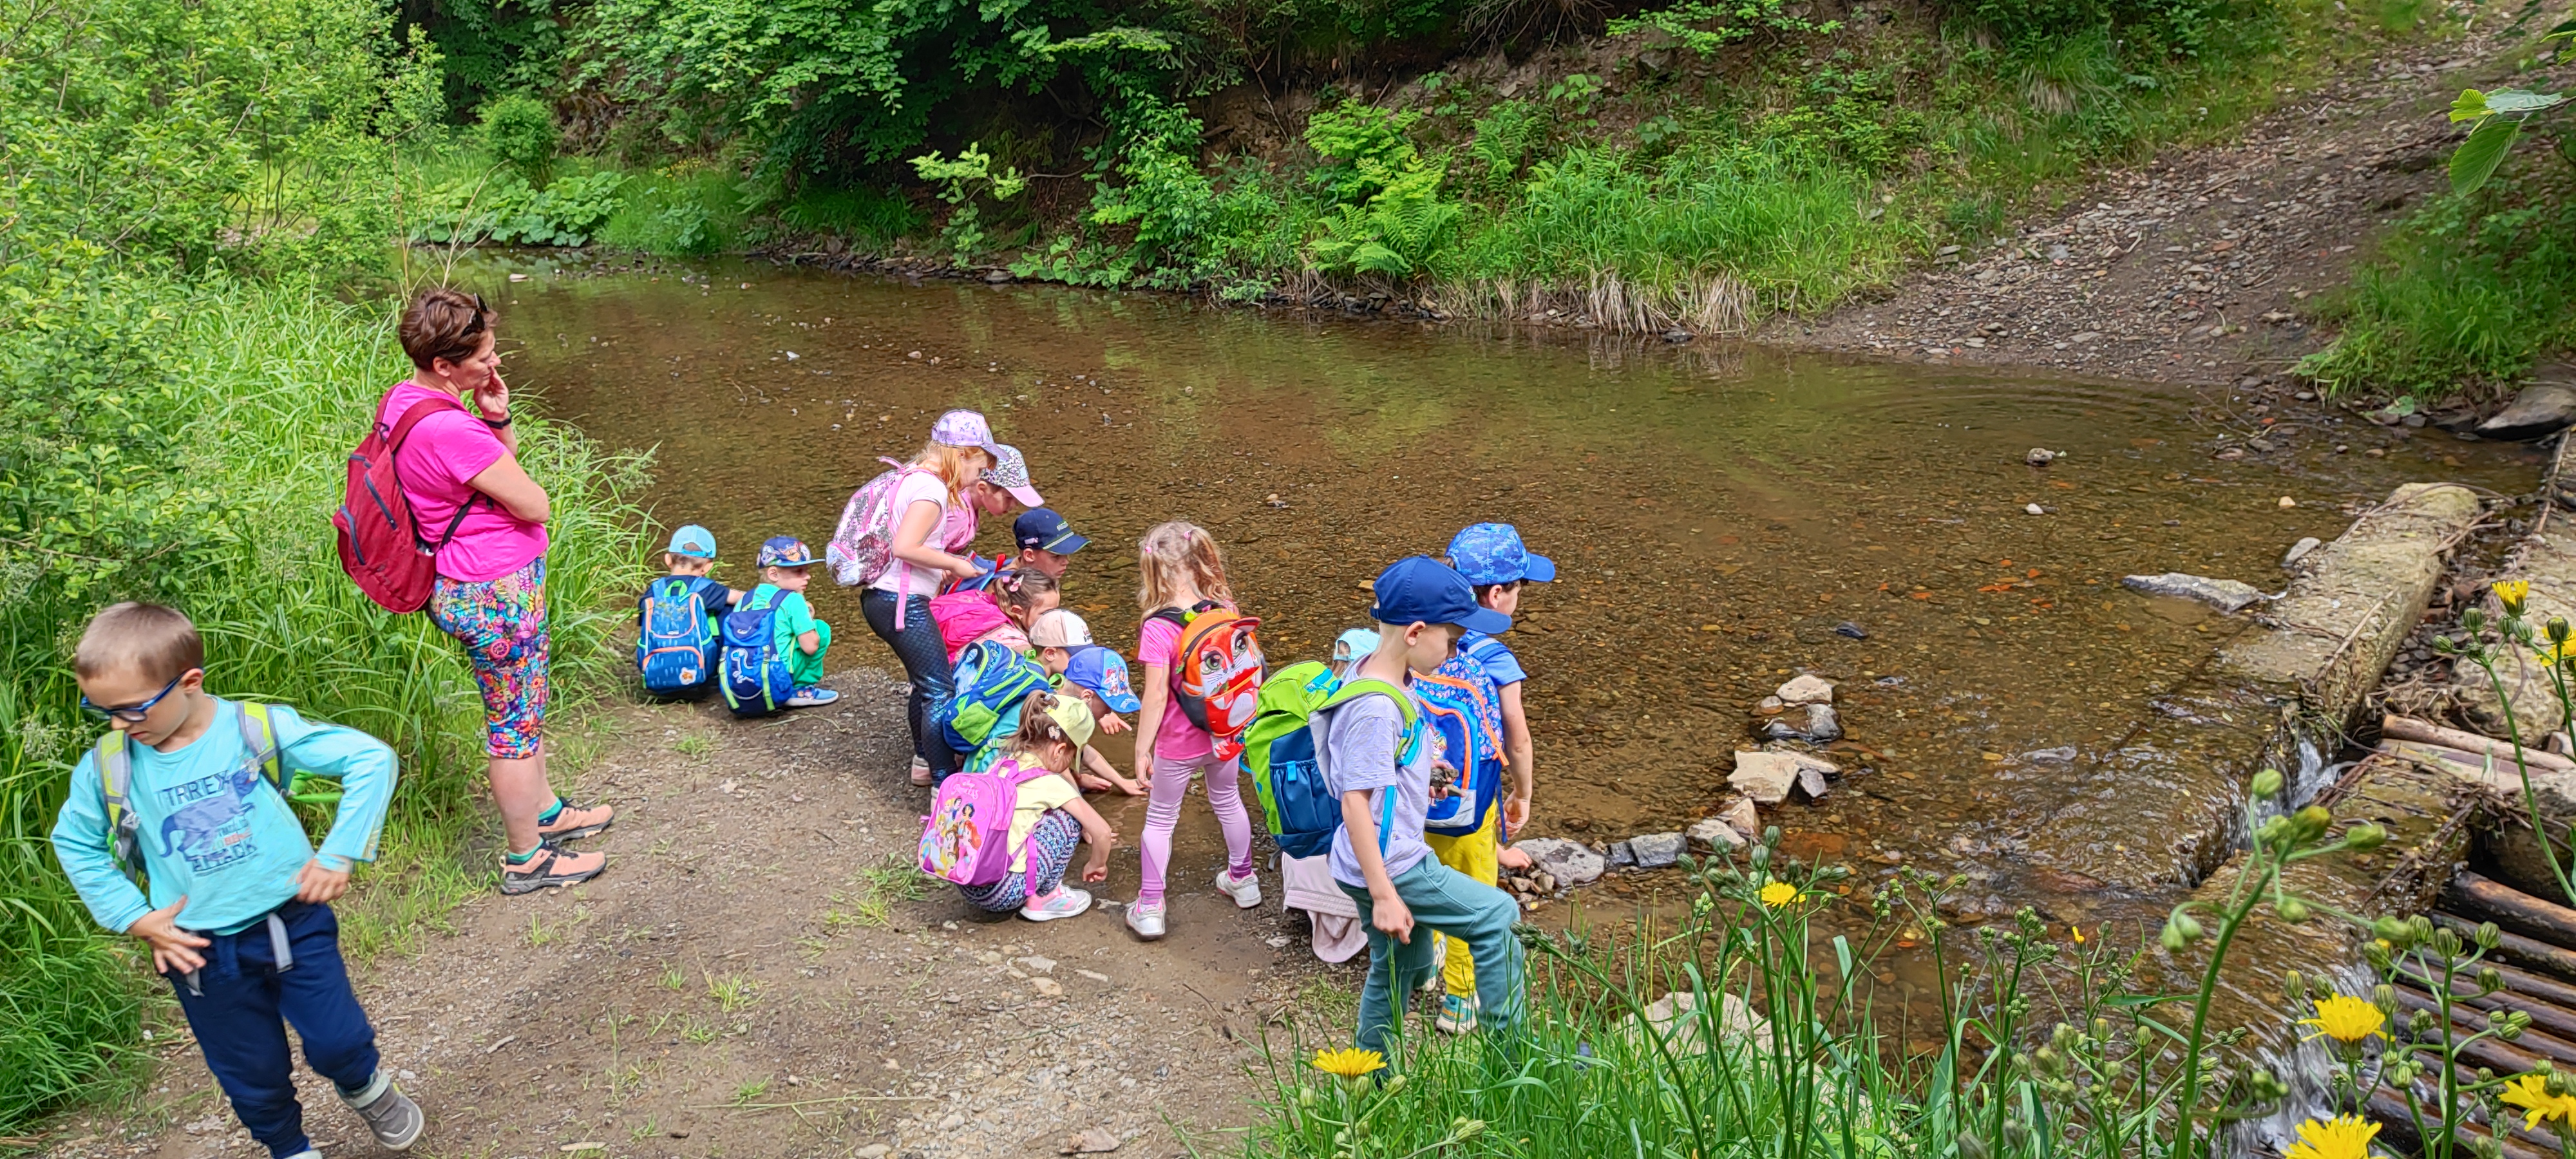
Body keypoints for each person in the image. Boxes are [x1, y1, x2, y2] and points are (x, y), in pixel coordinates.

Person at [50, 603, 426, 1159]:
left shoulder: (255, 729)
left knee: (338, 1039)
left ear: (190, 682)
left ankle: (365, 1087)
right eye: (102, 711)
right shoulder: (109, 767)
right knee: (251, 1071)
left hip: (291, 921)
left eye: (132, 710)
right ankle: (289, 1148)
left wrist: (339, 853)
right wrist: (135, 917)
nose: (118, 726)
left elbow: (370, 759)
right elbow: (74, 841)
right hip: (195, 948)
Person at [383, 287, 610, 895]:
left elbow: (488, 473)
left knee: (524, 710)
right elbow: (533, 502)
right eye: (484, 356)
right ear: (444, 364)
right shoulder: (448, 429)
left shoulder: (405, 401)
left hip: (472, 582)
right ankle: (526, 859)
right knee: (513, 726)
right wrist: (489, 434)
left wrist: (497, 417)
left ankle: (546, 811)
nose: (496, 362)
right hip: (493, 592)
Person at [1322, 556, 1525, 1056]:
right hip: (1392, 862)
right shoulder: (1375, 707)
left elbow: (1381, 764)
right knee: (1497, 915)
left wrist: (1423, 773)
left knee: (1402, 966)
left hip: (1369, 857)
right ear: (1415, 632)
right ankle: (1512, 1058)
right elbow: (1354, 802)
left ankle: (1372, 1073)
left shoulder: (1379, 674)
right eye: (1451, 641)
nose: (1454, 652)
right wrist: (1383, 894)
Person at [1127, 520, 1258, 940]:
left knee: (1161, 818)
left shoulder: (1158, 627)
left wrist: (1142, 749)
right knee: (1228, 799)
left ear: (1154, 570)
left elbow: (1155, 696)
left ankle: (1151, 906)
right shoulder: (1225, 610)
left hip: (1178, 742)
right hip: (1225, 732)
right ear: (1201, 559)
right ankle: (1243, 879)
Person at [864, 411, 998, 787]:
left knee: (926, 684)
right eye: (980, 467)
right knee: (940, 690)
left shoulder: (910, 476)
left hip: (884, 597)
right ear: (963, 454)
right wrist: (956, 564)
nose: (978, 477)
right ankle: (945, 784)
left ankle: (925, 763)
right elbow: (905, 546)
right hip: (900, 602)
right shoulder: (932, 489)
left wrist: (939, 569)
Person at [947, 690, 1119, 923]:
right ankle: (1045, 898)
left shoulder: (1001, 762)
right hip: (1002, 893)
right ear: (1059, 751)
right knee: (1069, 819)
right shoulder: (1051, 783)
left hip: (967, 882)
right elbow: (1102, 832)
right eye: (1072, 756)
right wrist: (1096, 864)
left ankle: (1025, 884)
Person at [1446, 522, 1551, 867]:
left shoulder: (1421, 636)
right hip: (1467, 801)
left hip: (1412, 793)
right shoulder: (1495, 660)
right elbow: (1517, 742)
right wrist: (1523, 794)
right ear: (1495, 595)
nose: (1519, 595)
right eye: (1520, 586)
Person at [1027, 610, 1144, 795]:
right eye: (1076, 656)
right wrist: (1077, 793)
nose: (1081, 662)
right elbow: (1058, 756)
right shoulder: (1047, 703)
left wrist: (1119, 781)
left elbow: (1079, 749)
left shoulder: (1051, 681)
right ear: (1050, 653)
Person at [636, 525, 741, 695]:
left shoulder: (654, 591)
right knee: (728, 608)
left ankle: (663, 676)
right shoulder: (707, 589)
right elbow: (745, 598)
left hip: (657, 673)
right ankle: (721, 672)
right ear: (707, 567)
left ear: (668, 560)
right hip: (702, 680)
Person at [743, 536, 837, 707]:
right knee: (821, 629)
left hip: (745, 676)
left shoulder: (746, 599)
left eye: (806, 570)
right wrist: (809, 620)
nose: (808, 576)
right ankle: (799, 689)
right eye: (799, 571)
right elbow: (810, 647)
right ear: (773, 574)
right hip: (777, 677)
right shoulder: (793, 600)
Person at [933, 569, 1061, 663]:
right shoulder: (1014, 642)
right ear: (1018, 612)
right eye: (1046, 613)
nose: (1055, 618)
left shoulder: (982, 600)